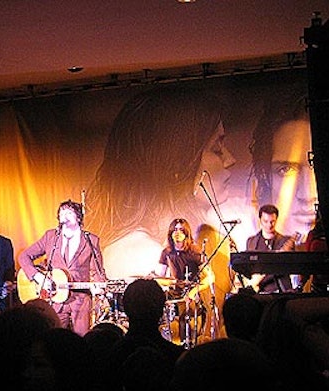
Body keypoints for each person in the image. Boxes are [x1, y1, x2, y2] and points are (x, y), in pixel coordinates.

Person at [85, 83, 236, 280]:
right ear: (177, 161)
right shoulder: (141, 253)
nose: (231, 160)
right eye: (216, 149)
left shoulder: (170, 245)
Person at [17, 199, 107, 336]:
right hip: (55, 299)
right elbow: (24, 257)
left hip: (80, 300)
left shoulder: (91, 240)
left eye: (69, 212)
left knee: (81, 339)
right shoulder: (51, 237)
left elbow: (98, 270)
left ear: (78, 217)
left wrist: (99, 286)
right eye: (61, 212)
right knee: (54, 340)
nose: (64, 215)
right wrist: (38, 277)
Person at [249, 90, 317, 244]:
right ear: (265, 178)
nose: (308, 195)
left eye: (316, 167)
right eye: (286, 170)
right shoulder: (254, 242)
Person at [154, 218, 215, 344]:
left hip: (190, 294)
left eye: (181, 230)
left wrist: (193, 291)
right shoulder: (166, 252)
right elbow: (158, 277)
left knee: (187, 314)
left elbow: (210, 277)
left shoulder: (195, 252)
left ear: (187, 233)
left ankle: (187, 341)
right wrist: (168, 282)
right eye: (174, 229)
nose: (177, 233)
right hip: (174, 293)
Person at [245, 204, 296, 293]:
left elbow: (289, 266)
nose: (269, 225)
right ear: (260, 220)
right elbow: (247, 267)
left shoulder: (285, 241)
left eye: (272, 221)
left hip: (281, 291)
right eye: (265, 221)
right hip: (257, 291)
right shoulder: (251, 241)